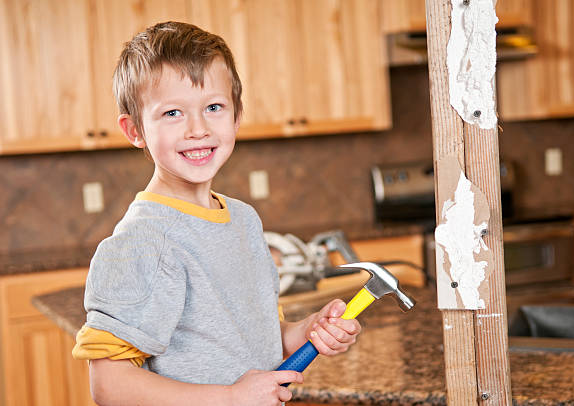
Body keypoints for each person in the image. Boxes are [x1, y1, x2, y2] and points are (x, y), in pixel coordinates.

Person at [71, 21, 361, 406]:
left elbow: (250, 341)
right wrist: (230, 398)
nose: (198, 129)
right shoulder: (144, 240)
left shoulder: (242, 219)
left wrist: (305, 331)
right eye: (172, 112)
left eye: (213, 107)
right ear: (134, 130)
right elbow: (110, 386)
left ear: (237, 115)